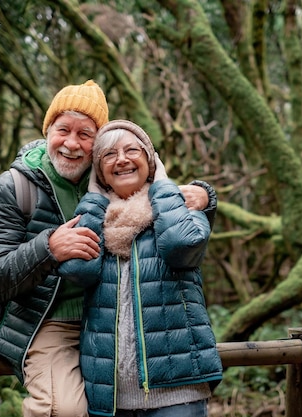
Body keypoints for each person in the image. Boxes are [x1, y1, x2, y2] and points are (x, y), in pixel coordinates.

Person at [0, 81, 215, 417]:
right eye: (63, 130)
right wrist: (48, 248)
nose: (71, 144)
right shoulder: (15, 186)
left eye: (85, 134)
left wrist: (205, 195)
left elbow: (165, 206)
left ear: (97, 145)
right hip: (51, 322)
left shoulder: (110, 172)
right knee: (64, 410)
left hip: (108, 321)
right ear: (48, 131)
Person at [58, 120, 223, 417]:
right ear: (99, 172)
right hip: (110, 397)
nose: (121, 159)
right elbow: (78, 270)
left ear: (150, 160)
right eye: (108, 155)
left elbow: (181, 247)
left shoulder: (183, 211)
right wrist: (94, 199)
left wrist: (163, 183)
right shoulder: (92, 216)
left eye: (132, 150)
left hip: (177, 391)